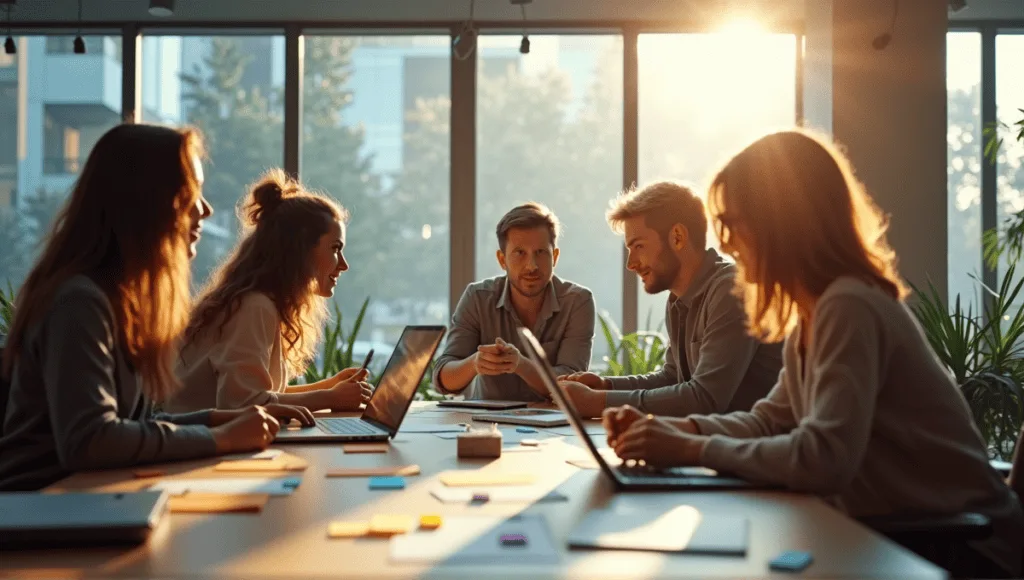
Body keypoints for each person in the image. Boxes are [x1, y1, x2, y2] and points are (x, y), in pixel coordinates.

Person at [601, 129, 1024, 577]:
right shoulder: (817, 312)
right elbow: (769, 421)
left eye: (733, 223)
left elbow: (823, 459)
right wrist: (668, 429)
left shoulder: (849, 306)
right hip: (906, 534)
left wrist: (689, 447)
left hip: (964, 550)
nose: (724, 244)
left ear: (780, 221)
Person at [0, 124, 312, 492]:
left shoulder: (117, 300)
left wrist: (222, 420)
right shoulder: (78, 303)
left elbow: (136, 422)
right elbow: (90, 440)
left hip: (82, 498)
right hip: (39, 510)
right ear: (146, 201)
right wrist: (222, 439)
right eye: (191, 194)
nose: (206, 209)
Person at [558, 182, 782, 418]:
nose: (631, 264)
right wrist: (606, 386)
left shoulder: (730, 291)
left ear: (677, 237)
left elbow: (705, 398)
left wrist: (599, 402)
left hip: (756, 446)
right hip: (716, 442)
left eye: (639, 246)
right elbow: (672, 377)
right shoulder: (678, 299)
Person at [164, 170, 372, 414]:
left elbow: (255, 394)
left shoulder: (258, 302)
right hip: (199, 446)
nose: (343, 264)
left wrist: (328, 388)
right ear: (301, 249)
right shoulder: (254, 307)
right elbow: (243, 403)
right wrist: (329, 398)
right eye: (335, 248)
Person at [433, 202, 595, 401]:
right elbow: (443, 379)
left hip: (555, 428)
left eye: (541, 253)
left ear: (555, 256)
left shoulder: (577, 301)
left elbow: (573, 386)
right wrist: (475, 363)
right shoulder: (477, 297)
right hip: (489, 426)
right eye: (520, 253)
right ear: (502, 260)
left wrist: (520, 365)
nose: (531, 266)